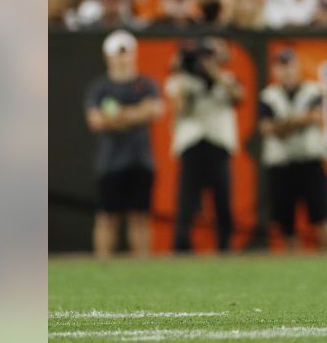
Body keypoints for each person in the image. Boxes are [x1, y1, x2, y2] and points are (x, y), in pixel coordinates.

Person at [84, 30, 163, 258]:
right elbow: (96, 121)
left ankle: (143, 268)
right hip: (110, 162)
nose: (121, 59)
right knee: (107, 216)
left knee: (140, 216)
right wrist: (136, 114)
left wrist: (116, 117)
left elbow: (155, 111)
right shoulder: (100, 88)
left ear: (133, 54)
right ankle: (102, 266)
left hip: (140, 160)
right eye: (117, 54)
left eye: (125, 53)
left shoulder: (146, 84)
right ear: (108, 57)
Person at [166, 37, 243, 252]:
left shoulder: (227, 78)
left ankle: (225, 246)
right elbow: (181, 108)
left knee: (222, 201)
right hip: (191, 144)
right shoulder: (183, 81)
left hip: (218, 144)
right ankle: (182, 246)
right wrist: (181, 70)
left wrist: (214, 75)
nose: (205, 61)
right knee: (187, 202)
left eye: (209, 56)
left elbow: (238, 97)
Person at [258, 49, 327, 252]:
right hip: (281, 163)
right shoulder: (269, 95)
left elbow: (313, 117)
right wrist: (298, 120)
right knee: (286, 222)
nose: (286, 71)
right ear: (275, 69)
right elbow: (268, 129)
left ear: (298, 66)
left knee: (322, 216)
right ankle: (291, 269)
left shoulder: (313, 90)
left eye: (290, 65)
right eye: (281, 66)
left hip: (310, 160)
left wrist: (284, 124)